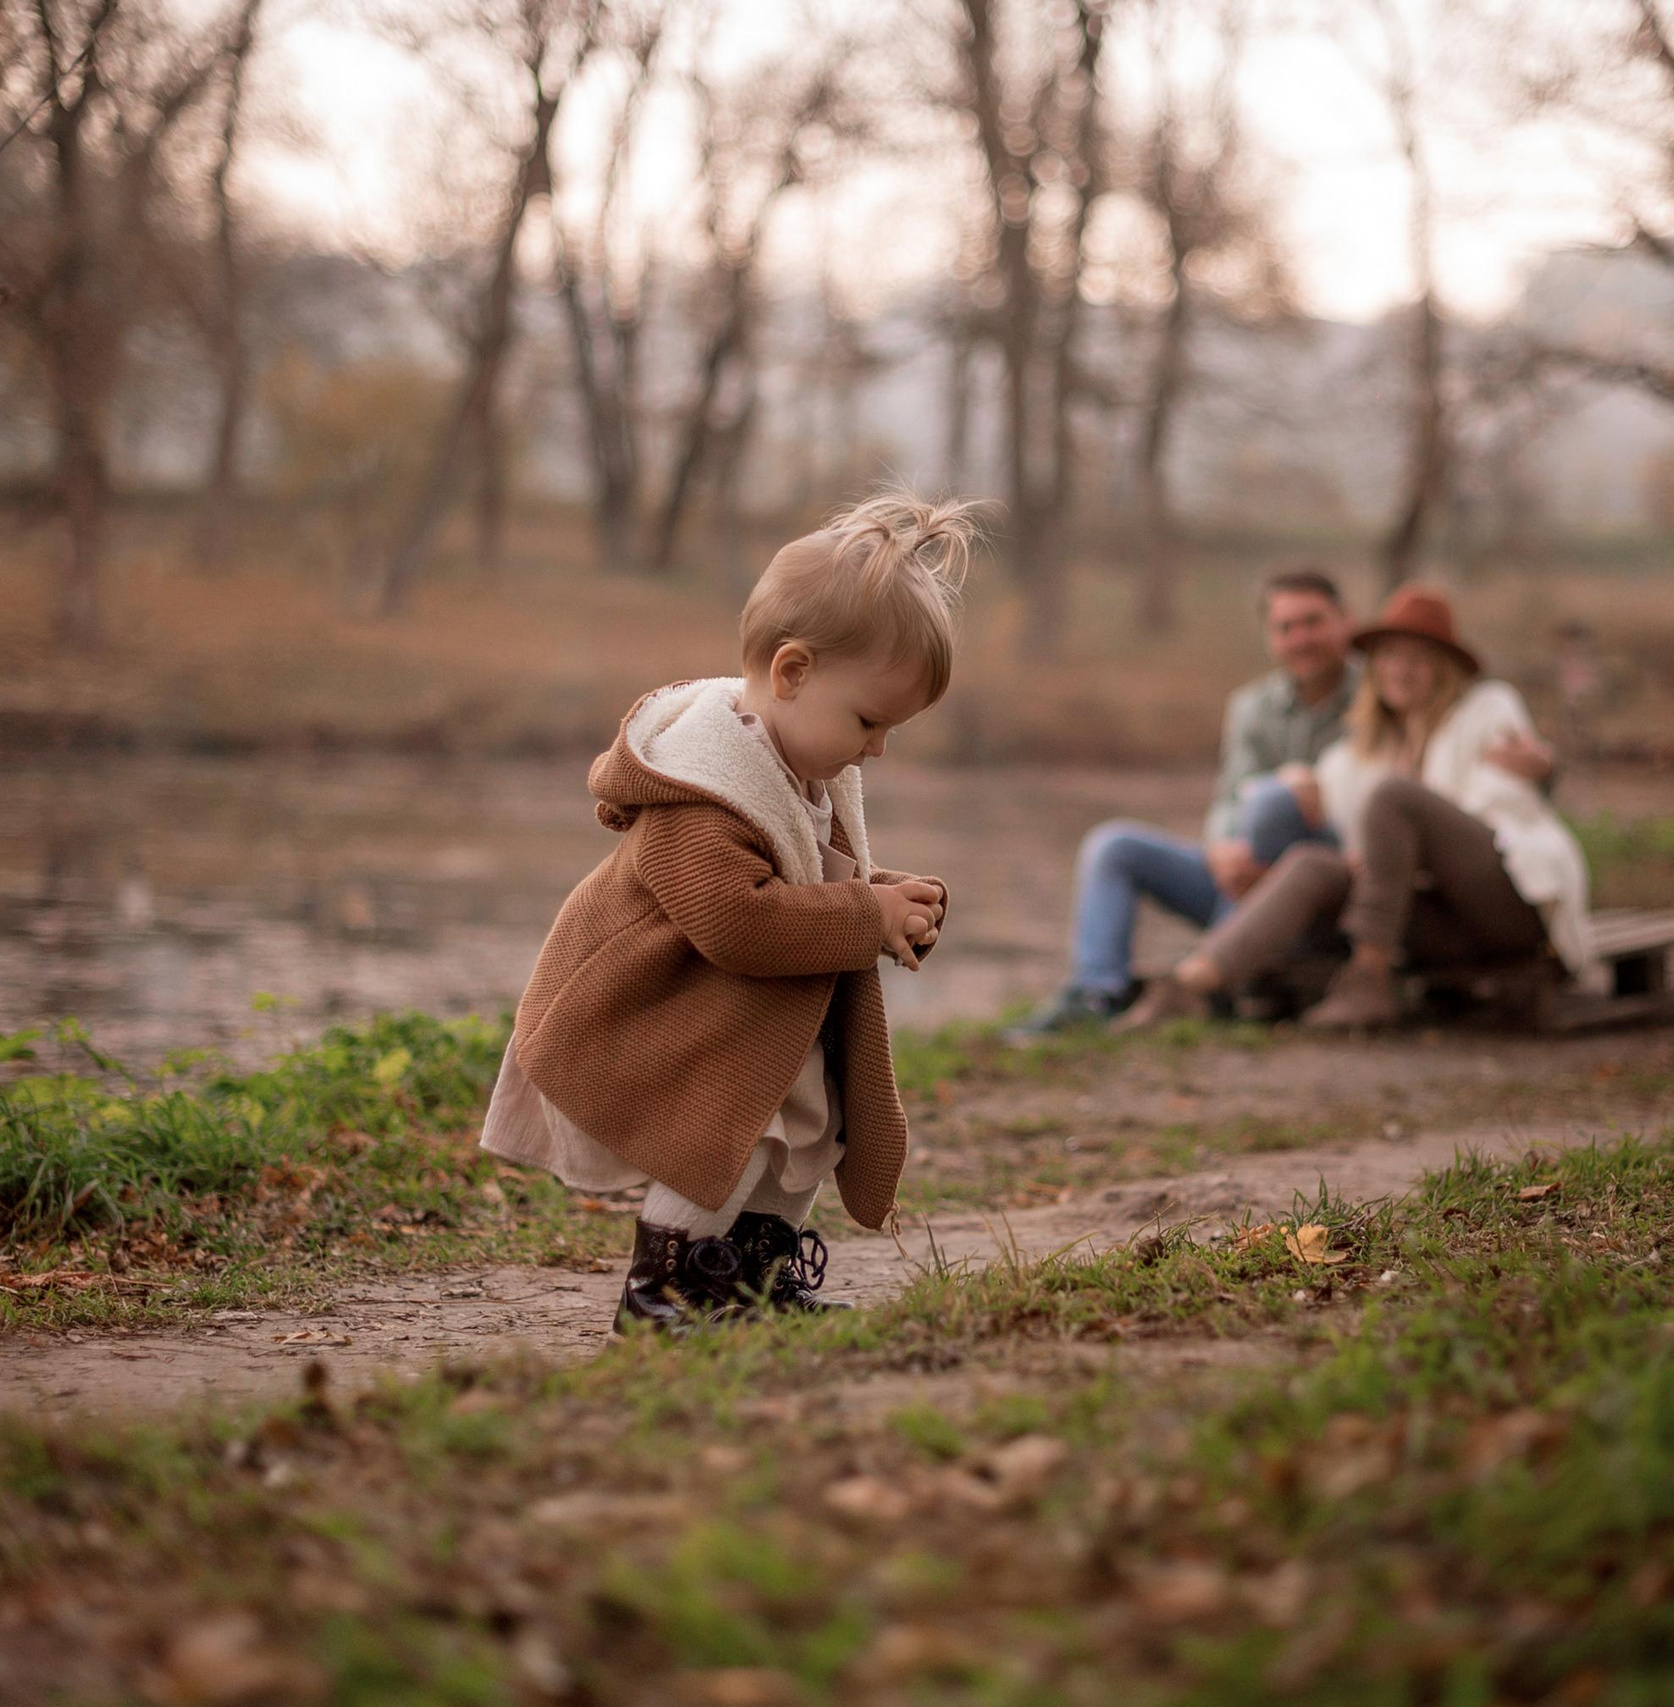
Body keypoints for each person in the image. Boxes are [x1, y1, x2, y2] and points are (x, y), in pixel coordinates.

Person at [478, 492, 972, 1333]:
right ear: (791, 671)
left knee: (805, 1135)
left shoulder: (800, 762)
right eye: (868, 720)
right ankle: (667, 1282)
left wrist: (884, 894)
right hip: (658, 1009)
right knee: (726, 1137)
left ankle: (754, 1277)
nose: (877, 748)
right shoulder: (701, 791)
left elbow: (806, 874)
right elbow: (737, 921)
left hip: (746, 1013)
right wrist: (864, 915)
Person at [1116, 584, 1587, 1034]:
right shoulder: (1369, 749)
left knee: (1393, 797)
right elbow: (1324, 791)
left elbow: (1502, 804)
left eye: (1417, 658)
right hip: (1444, 925)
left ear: (1443, 666)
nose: (1400, 670)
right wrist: (1292, 779)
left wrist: (1407, 846)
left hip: (1506, 904)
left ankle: (1368, 976)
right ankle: (1191, 984)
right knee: (1311, 865)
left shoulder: (1488, 709)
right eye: (1389, 657)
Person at [1010, 568, 1361, 1035]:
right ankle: (1098, 994)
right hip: (1241, 880)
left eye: (1313, 622)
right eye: (1285, 627)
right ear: (1270, 637)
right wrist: (1221, 850)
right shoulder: (1251, 707)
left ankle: (1214, 978)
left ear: (1345, 621)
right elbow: (1229, 801)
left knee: (1274, 802)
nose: (1300, 638)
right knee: (1113, 845)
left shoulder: (1378, 699)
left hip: (1322, 888)